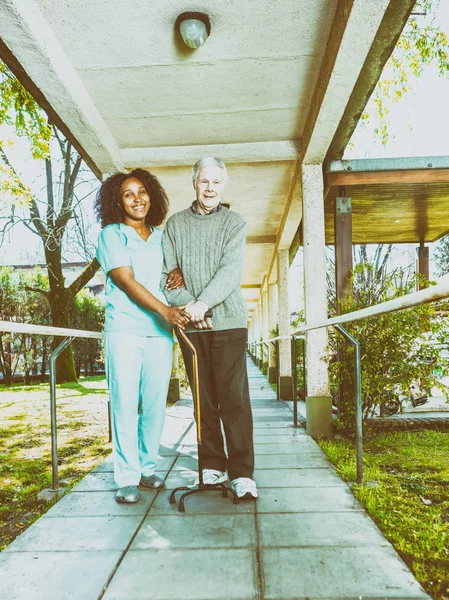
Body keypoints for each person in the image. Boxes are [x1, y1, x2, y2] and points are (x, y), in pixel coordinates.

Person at [161, 157, 258, 500]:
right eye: (205, 181)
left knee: (234, 400)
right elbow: (168, 277)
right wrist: (192, 308)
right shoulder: (174, 226)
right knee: (203, 401)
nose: (210, 188)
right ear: (194, 183)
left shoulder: (234, 223)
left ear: (223, 185)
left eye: (216, 182)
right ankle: (212, 466)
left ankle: (243, 473)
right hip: (192, 328)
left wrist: (201, 305)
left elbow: (230, 272)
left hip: (228, 323)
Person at [95, 169, 190, 503]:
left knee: (154, 406)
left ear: (152, 195)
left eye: (142, 191)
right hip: (124, 330)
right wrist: (165, 310)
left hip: (160, 335)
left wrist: (177, 271)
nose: (137, 199)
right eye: (128, 194)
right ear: (117, 202)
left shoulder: (163, 237)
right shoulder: (112, 235)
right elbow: (125, 279)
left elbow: (173, 269)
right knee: (124, 404)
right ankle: (126, 477)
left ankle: (147, 467)